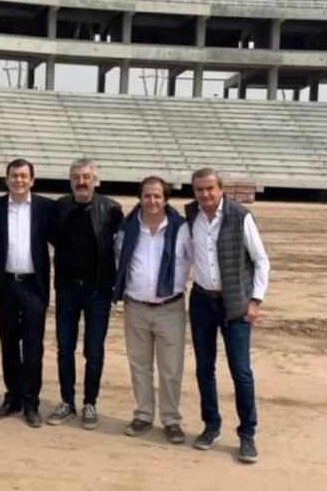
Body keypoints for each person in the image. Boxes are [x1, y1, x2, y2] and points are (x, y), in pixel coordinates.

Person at [186, 167, 270, 463]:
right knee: (204, 369)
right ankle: (211, 425)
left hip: (234, 304)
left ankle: (247, 434)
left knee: (241, 372)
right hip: (201, 302)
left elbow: (261, 261)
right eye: (200, 190)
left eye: (210, 188)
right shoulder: (191, 216)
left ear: (220, 189)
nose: (205, 194)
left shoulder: (239, 216)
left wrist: (255, 301)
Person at [47, 158, 123, 430]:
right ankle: (67, 401)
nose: (82, 182)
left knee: (94, 350)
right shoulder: (60, 207)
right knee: (64, 349)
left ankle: (90, 402)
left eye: (86, 177)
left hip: (98, 291)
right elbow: (54, 239)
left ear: (95, 180)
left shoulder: (111, 209)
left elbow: (121, 247)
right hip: (67, 290)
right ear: (70, 181)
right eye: (77, 177)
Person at [113, 176, 190, 444]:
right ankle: (144, 414)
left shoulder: (181, 229)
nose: (152, 201)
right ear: (140, 198)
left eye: (157, 196)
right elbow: (120, 259)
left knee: (171, 369)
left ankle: (171, 419)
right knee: (139, 366)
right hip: (136, 307)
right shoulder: (128, 228)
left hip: (170, 307)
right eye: (147, 196)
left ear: (166, 199)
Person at [0, 159, 56, 428]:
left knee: (34, 346)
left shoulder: (45, 208)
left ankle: (31, 402)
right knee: (9, 344)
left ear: (32, 180)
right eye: (14, 176)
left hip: (33, 287)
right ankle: (12, 397)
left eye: (24, 176)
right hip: (4, 285)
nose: (19, 180)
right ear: (7, 179)